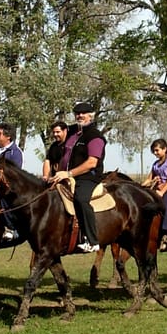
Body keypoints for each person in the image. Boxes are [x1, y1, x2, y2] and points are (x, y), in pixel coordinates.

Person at [50, 102, 106, 253]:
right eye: (77, 113)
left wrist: (68, 174)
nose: (80, 116)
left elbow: (92, 163)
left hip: (87, 177)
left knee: (81, 199)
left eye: (83, 113)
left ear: (91, 115)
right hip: (66, 176)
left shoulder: (95, 136)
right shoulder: (73, 131)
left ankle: (92, 240)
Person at [141, 139, 167, 251]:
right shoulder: (155, 164)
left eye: (157, 150)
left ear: (164, 149)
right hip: (157, 189)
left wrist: (163, 191)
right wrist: (141, 185)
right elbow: (149, 179)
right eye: (153, 151)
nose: (155, 153)